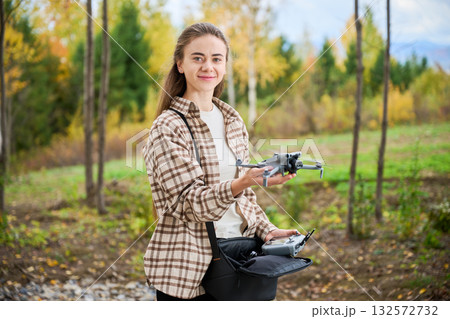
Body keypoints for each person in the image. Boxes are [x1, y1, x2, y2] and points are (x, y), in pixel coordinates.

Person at [143, 22, 298, 301]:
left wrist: (268, 230)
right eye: (197, 58)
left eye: (217, 59)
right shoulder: (168, 127)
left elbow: (245, 198)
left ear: (225, 65)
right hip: (189, 274)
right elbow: (189, 203)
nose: (208, 67)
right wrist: (240, 183)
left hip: (239, 260)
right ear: (180, 64)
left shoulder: (232, 120)